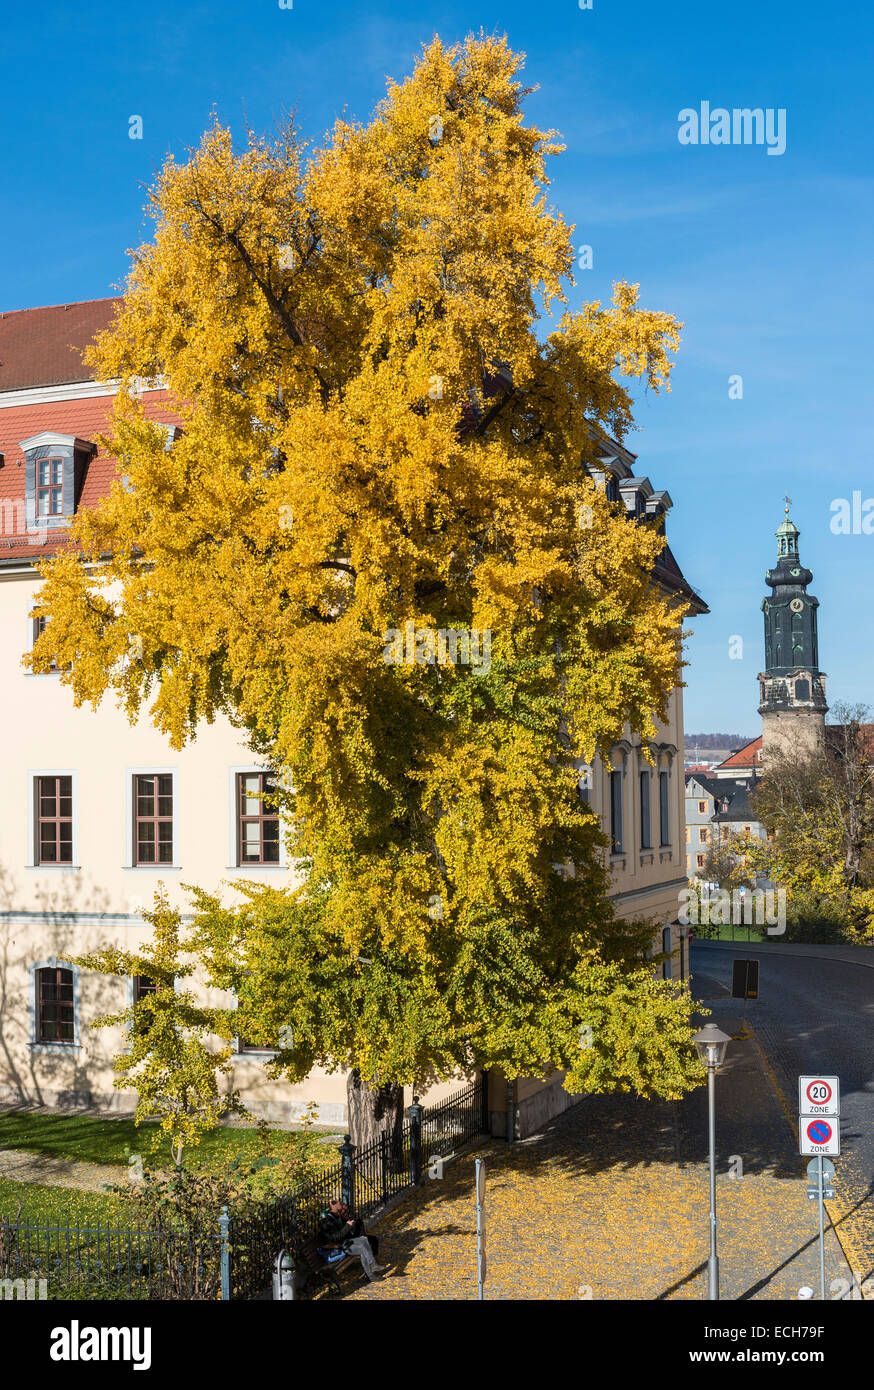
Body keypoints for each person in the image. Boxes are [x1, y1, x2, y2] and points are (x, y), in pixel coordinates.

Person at [317, 1199, 386, 1280]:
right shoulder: (327, 1222)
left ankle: (373, 1265)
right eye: (341, 1209)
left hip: (345, 1243)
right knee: (362, 1248)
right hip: (337, 1248)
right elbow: (335, 1238)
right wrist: (347, 1226)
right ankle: (371, 1275)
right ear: (335, 1208)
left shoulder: (335, 1218)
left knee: (364, 1240)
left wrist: (349, 1224)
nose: (342, 1212)